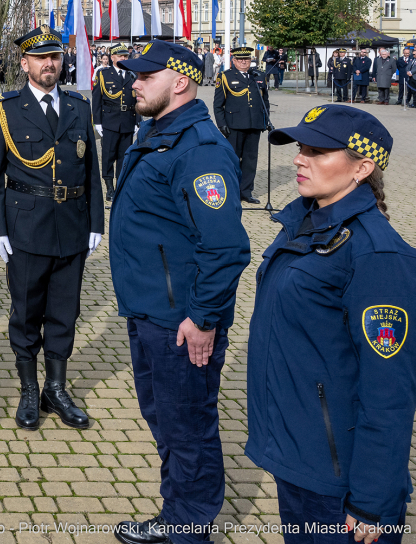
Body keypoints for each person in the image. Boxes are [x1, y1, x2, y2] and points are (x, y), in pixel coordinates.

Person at [247, 105, 416, 544]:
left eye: (317, 150)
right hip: (298, 457)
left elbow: (389, 392)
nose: (299, 158)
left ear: (362, 168)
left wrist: (372, 500)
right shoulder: (304, 224)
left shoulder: (378, 258)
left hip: (340, 484)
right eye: (300, 147)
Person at [108, 40, 251, 544]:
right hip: (151, 311)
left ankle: (189, 531)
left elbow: (226, 248)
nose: (135, 82)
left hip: (181, 322)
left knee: (187, 429)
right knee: (167, 422)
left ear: (181, 81)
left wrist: (204, 318)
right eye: (134, 74)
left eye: (146, 75)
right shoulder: (158, 132)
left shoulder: (199, 149)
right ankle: (177, 517)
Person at [0, 24, 104, 431]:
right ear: (24, 63)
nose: (49, 64)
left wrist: (96, 223)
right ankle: (29, 390)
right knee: (27, 311)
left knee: (65, 311)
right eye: (40, 58)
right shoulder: (6, 109)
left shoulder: (78, 107)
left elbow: (91, 171)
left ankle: (57, 387)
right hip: (26, 226)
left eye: (54, 57)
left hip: (71, 224)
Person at [214, 46, 271, 205]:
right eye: (240, 59)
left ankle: (246, 192)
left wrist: (266, 120)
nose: (244, 61)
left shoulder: (259, 76)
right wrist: (221, 124)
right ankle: (232, 192)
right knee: (233, 160)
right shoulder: (225, 76)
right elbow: (218, 104)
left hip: (254, 124)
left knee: (250, 160)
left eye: (246, 58)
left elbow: (264, 101)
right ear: (233, 61)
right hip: (234, 126)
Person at [91, 42, 138, 201]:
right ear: (112, 58)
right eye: (120, 56)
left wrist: (138, 120)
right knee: (108, 156)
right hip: (109, 122)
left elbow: (137, 99)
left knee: (124, 156)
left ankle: (121, 186)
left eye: (126, 55)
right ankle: (109, 188)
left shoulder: (132, 75)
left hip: (127, 121)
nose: (124, 58)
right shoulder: (103, 75)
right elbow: (96, 100)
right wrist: (97, 122)